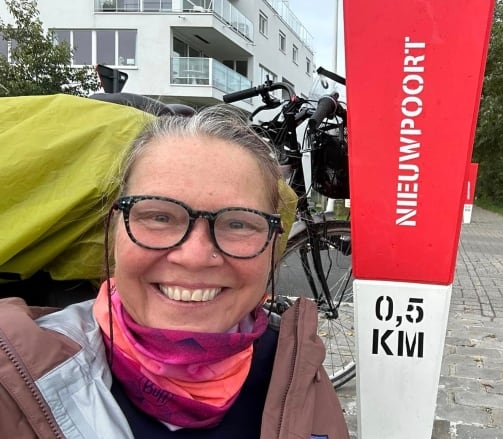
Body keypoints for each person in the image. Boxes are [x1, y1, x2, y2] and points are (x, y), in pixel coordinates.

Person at [0, 104, 349, 438]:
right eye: (159, 217)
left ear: (273, 243)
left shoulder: (299, 370)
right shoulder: (12, 378)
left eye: (238, 224)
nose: (195, 257)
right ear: (114, 230)